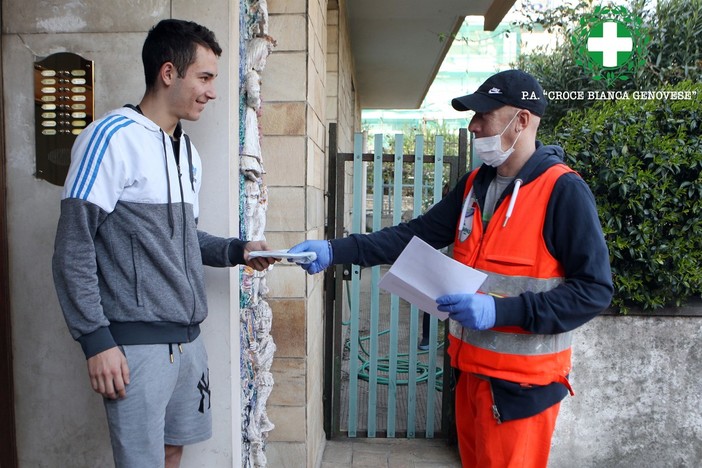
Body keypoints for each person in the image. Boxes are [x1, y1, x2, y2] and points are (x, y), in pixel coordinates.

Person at [289, 69, 613, 467]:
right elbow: (415, 234)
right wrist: (335, 249)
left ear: (522, 120)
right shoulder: (474, 185)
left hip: (521, 392)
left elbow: (594, 290)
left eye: (484, 115)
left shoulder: (563, 191)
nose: (473, 125)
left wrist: (500, 311)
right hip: (469, 378)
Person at [52, 19, 276, 468]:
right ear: (169, 73)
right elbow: (71, 248)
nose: (212, 91)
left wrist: (238, 250)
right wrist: (96, 340)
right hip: (136, 346)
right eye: (205, 77)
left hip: (187, 341)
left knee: (173, 452)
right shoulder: (110, 138)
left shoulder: (185, 151)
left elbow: (184, 239)